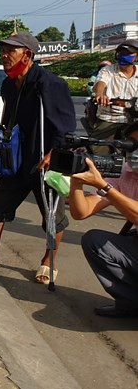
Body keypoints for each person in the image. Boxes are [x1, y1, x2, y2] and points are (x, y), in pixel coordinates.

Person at [0, 32, 75, 284]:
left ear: (28, 55)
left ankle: (47, 262)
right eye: (4, 50)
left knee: (52, 214)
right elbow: (8, 116)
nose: (5, 55)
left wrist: (53, 154)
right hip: (17, 158)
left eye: (12, 50)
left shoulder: (50, 84)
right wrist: (0, 146)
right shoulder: (8, 85)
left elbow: (65, 128)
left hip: (45, 159)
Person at [70, 122, 138, 317]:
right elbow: (81, 212)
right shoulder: (126, 172)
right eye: (132, 145)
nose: (135, 152)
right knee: (95, 241)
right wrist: (77, 182)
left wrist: (104, 186)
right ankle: (131, 303)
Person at [90, 40, 138, 143]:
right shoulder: (107, 70)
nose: (123, 56)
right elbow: (100, 84)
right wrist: (100, 95)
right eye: (121, 53)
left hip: (133, 120)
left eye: (128, 54)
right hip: (110, 119)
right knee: (97, 153)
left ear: (137, 57)